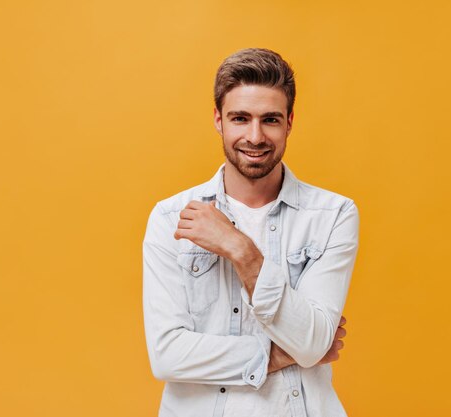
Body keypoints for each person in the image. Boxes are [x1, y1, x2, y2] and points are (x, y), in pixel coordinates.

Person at [142, 48, 360, 417]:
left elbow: (312, 342)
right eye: (240, 118)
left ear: (290, 122)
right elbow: (167, 355)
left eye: (270, 120)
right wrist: (278, 354)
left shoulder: (333, 215)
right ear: (218, 120)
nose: (255, 137)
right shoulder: (170, 218)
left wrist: (240, 249)